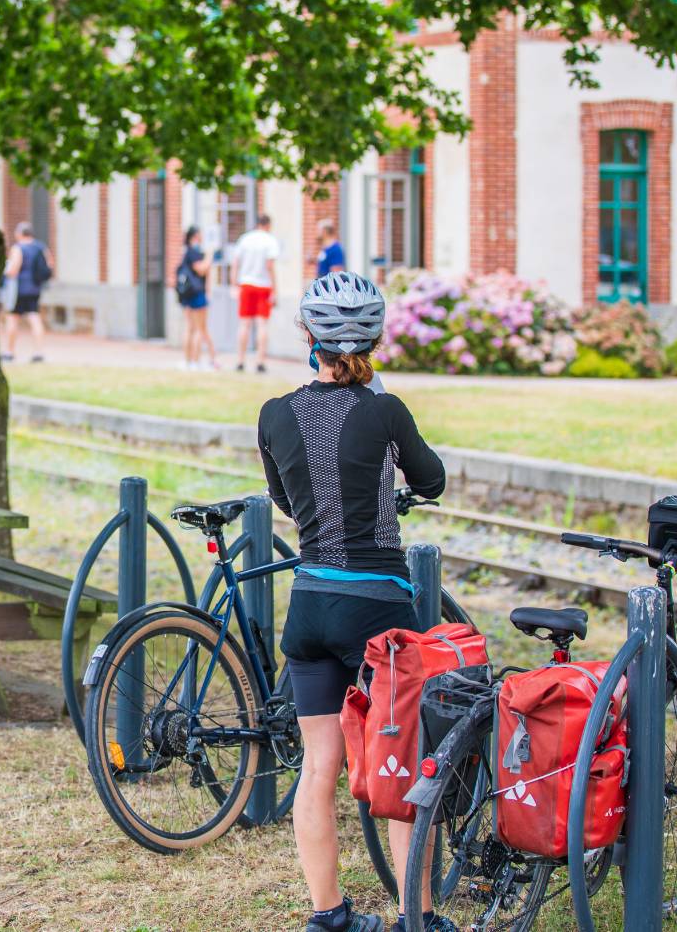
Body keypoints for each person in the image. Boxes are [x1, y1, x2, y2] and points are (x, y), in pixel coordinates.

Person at [257, 272, 449, 932]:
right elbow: (432, 480)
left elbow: (286, 498)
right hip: (378, 610)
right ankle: (413, 916)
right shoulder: (384, 409)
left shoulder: (276, 412)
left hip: (308, 604)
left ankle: (328, 914)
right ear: (373, 337)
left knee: (319, 764)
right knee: (396, 763)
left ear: (310, 337)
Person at [232, 214, 282, 373]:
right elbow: (270, 266)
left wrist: (234, 284)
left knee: (244, 324)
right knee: (262, 324)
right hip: (263, 286)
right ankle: (260, 361)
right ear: (268, 225)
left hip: (246, 284)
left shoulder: (245, 239)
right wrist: (275, 289)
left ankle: (240, 360)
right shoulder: (270, 241)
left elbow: (235, 263)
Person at [1, 222, 53, 363]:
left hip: (19, 290)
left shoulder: (18, 248)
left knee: (12, 318)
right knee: (35, 317)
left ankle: (9, 351)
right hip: (35, 288)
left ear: (19, 233)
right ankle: (39, 351)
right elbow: (49, 265)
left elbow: (13, 270)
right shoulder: (41, 247)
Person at [169, 226, 216, 370]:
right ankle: (195, 361)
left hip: (188, 295)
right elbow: (201, 270)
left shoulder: (186, 253)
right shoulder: (194, 252)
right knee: (198, 329)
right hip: (197, 294)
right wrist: (209, 257)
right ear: (195, 236)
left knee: (190, 328)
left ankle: (188, 361)